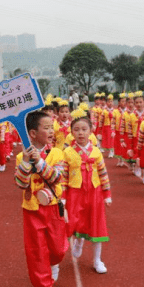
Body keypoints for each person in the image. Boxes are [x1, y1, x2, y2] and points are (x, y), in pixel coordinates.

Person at [14, 111, 67, 287]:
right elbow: (20, 183)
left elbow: (56, 177)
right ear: (33, 133)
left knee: (58, 249)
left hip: (53, 207)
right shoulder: (22, 156)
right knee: (36, 250)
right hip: (31, 209)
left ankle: (54, 263)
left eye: (51, 127)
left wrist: (40, 162)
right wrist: (27, 161)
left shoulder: (57, 153)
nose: (52, 131)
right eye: (47, 128)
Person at [62, 107, 112, 275]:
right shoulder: (67, 152)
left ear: (91, 131)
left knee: (97, 225)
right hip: (75, 194)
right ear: (71, 133)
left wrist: (107, 194)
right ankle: (78, 241)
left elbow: (103, 173)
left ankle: (97, 259)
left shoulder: (96, 151)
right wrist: (62, 196)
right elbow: (63, 176)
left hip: (94, 193)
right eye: (76, 130)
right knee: (74, 222)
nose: (80, 133)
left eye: (84, 129)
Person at [112, 93, 127, 167]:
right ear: (119, 102)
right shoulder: (115, 111)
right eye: (122, 101)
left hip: (126, 131)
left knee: (125, 146)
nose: (124, 103)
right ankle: (120, 159)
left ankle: (126, 159)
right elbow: (113, 122)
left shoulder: (128, 111)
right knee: (118, 146)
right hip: (118, 131)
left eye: (125, 101)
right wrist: (113, 131)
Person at [102, 94, 114, 158]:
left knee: (112, 140)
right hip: (106, 126)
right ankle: (110, 150)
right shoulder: (104, 111)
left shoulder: (114, 111)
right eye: (109, 102)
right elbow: (101, 120)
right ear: (106, 103)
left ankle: (111, 151)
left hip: (111, 127)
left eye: (111, 101)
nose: (110, 103)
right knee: (107, 140)